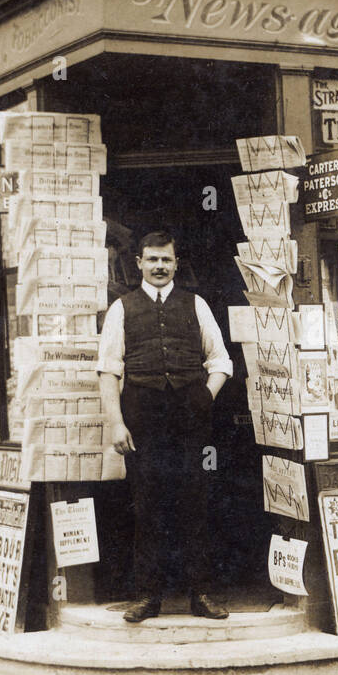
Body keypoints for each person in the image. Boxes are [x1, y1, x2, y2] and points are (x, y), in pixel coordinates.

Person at [98, 230, 233, 622]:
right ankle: (147, 597)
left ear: (176, 264)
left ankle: (201, 594)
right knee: (147, 506)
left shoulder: (196, 304)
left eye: (166, 260)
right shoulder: (122, 308)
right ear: (138, 263)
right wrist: (116, 424)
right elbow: (109, 370)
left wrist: (204, 396)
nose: (159, 266)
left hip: (189, 418)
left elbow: (220, 361)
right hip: (142, 418)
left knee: (195, 503)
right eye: (152, 259)